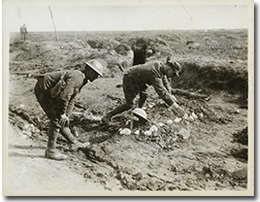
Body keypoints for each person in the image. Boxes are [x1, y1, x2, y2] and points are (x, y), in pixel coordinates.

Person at [34, 60, 103, 160]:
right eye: (96, 75)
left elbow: (72, 98)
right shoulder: (77, 77)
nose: (96, 78)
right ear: (90, 71)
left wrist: (67, 115)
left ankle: (73, 143)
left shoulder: (82, 79)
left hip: (52, 92)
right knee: (56, 119)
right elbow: (63, 97)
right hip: (43, 90)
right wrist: (62, 113)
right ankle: (51, 151)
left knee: (61, 119)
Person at [102, 56, 185, 125]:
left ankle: (137, 112)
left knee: (144, 95)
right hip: (130, 78)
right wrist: (175, 106)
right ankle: (107, 116)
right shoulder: (154, 72)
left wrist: (170, 95)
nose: (172, 75)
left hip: (140, 79)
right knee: (129, 104)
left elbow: (165, 82)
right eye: (173, 73)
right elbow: (162, 92)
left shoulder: (160, 67)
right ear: (169, 67)